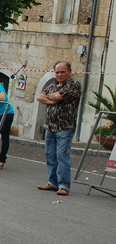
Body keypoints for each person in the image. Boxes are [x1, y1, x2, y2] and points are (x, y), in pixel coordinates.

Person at [36, 61, 81, 196]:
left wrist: (53, 97)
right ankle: (52, 182)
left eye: (62, 72)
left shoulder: (74, 85)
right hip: (50, 126)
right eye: (57, 72)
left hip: (64, 127)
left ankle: (64, 185)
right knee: (50, 155)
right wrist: (52, 100)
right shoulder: (53, 85)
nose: (60, 75)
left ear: (69, 72)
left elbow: (58, 96)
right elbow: (40, 96)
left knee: (62, 156)